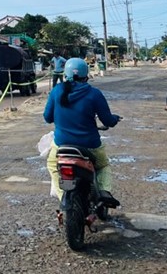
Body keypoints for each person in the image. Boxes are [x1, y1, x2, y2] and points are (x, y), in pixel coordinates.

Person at [44, 57, 122, 202]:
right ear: (86, 75)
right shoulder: (94, 93)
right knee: (103, 165)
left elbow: (47, 118)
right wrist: (114, 119)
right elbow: (107, 121)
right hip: (90, 145)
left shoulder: (56, 91)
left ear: (65, 74)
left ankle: (63, 198)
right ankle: (104, 191)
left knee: (52, 165)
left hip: (61, 144)